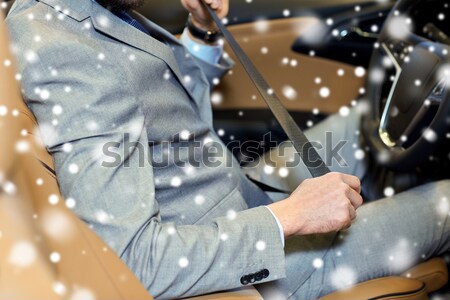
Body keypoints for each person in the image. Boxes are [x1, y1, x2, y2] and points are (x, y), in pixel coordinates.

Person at [5, 0, 450, 299]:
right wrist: (290, 218)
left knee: (361, 122)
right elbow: (131, 261)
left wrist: (201, 34)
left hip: (233, 191)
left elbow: (169, 118)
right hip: (261, 262)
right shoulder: (66, 50)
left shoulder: (87, 10)